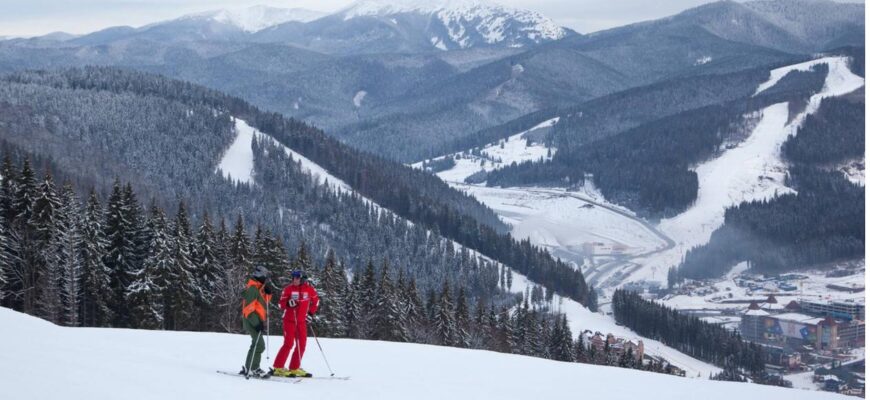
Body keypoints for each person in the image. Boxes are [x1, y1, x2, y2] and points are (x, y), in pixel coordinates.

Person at [272, 270, 319, 377]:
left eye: (297, 278)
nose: (294, 280)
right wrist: (288, 303)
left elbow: (316, 302)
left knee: (301, 345)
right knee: (288, 344)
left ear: (302, 279)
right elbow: (280, 304)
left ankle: (294, 368)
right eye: (293, 277)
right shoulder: (288, 289)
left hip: (301, 322)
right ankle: (278, 367)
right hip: (289, 321)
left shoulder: (309, 289)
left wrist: (310, 314)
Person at [239, 265, 273, 378]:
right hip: (251, 320)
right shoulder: (253, 289)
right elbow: (248, 310)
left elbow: (263, 303)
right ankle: (254, 368)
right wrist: (256, 323)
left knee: (255, 344)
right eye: (265, 276)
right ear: (261, 276)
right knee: (260, 345)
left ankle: (249, 367)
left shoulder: (258, 288)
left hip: (256, 320)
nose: (266, 279)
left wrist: (268, 293)